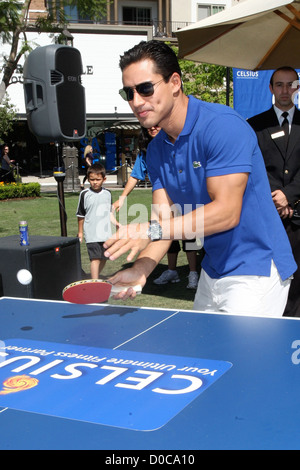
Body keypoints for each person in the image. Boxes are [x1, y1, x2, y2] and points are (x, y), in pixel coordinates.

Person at [103, 40, 296, 317]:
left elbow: (227, 213)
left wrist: (148, 230)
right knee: (202, 355)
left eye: (145, 88)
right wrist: (141, 268)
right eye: (128, 93)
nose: (136, 101)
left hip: (258, 267)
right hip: (214, 266)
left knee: (240, 360)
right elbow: (163, 222)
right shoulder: (157, 149)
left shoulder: (222, 126)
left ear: (174, 82)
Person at [113, 125, 200, 290]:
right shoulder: (148, 152)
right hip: (166, 204)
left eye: (157, 125)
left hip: (188, 203)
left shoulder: (186, 145)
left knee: (189, 236)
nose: (152, 128)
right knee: (166, 236)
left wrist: (148, 230)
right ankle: (172, 270)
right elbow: (135, 175)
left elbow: (225, 213)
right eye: (148, 127)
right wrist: (122, 197)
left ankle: (193, 273)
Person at [248, 66, 300, 317]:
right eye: (279, 84)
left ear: (297, 87)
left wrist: (289, 194)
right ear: (270, 88)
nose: (285, 90)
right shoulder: (255, 126)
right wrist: (276, 195)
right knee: (269, 278)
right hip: (267, 214)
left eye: (291, 84)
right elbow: (252, 166)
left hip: (298, 214)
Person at [76, 163, 119, 279]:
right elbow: (80, 215)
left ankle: (93, 277)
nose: (95, 182)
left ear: (104, 179)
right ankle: (94, 283)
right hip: (92, 234)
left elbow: (109, 212)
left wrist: (116, 223)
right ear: (88, 179)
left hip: (106, 234)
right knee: (95, 258)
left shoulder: (108, 194)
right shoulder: (84, 194)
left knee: (104, 257)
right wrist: (80, 232)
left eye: (98, 179)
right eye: (92, 179)